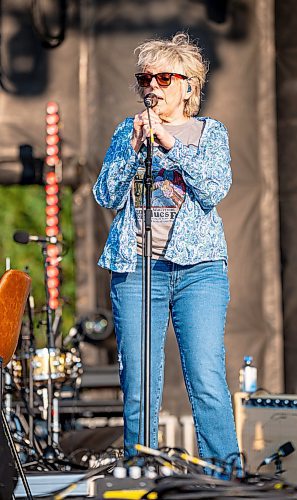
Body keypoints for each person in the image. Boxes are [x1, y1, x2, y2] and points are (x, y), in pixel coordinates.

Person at [93, 32, 240, 471]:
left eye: (163, 77)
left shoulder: (209, 133)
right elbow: (105, 194)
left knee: (207, 378)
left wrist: (172, 144)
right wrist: (133, 151)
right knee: (138, 381)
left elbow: (214, 188)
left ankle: (226, 474)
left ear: (188, 85)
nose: (152, 86)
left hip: (199, 272)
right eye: (145, 78)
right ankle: (141, 467)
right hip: (138, 270)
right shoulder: (127, 131)